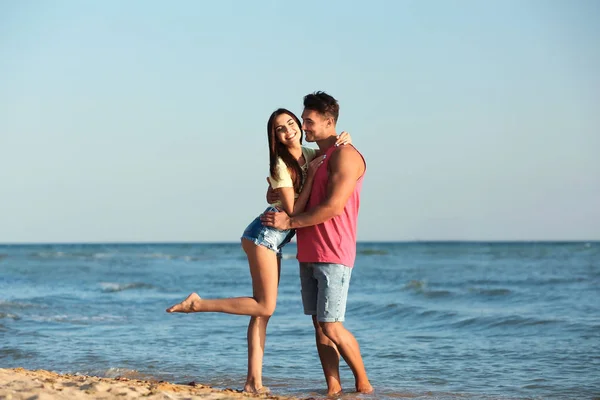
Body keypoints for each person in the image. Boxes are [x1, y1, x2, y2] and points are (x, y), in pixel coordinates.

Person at [166, 108, 351, 393]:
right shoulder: (280, 164)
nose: (289, 129)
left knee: (261, 312)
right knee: (265, 305)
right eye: (280, 128)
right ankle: (197, 304)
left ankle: (253, 382)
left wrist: (343, 140)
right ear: (274, 136)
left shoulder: (310, 155)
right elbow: (291, 211)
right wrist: (311, 179)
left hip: (274, 240)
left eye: (292, 123)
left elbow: (330, 153)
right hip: (263, 235)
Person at [261, 92, 373, 395]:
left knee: (332, 326)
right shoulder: (318, 157)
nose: (303, 126)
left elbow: (334, 207)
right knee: (320, 327)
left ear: (329, 122)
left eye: (309, 122)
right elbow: (293, 188)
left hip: (334, 251)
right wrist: (275, 197)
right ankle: (333, 390)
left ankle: (364, 387)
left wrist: (290, 222)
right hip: (309, 251)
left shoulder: (345, 155)